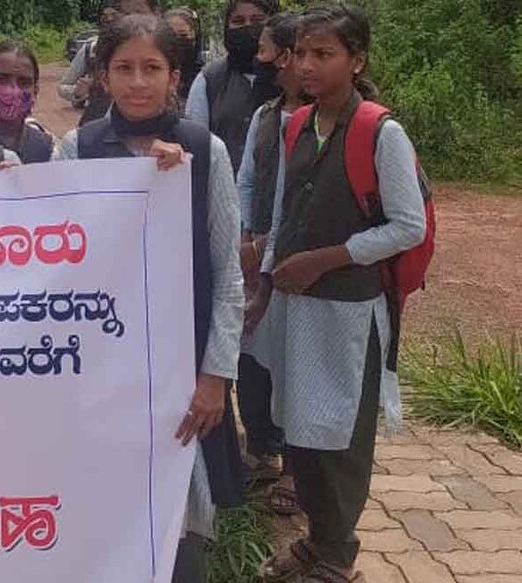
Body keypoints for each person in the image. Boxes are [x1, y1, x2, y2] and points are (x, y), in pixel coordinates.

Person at [53, 14, 245, 582]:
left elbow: (227, 275)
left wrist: (215, 376)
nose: (138, 82)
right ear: (102, 77)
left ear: (174, 77)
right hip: (97, 372)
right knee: (102, 508)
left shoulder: (202, 151)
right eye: (124, 68)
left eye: (152, 69)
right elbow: (51, 260)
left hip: (180, 375)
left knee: (180, 514)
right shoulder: (77, 149)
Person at [249, 4, 427, 582]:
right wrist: (266, 286)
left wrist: (328, 259)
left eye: (323, 54)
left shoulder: (380, 131)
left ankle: (337, 554)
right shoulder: (297, 124)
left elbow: (407, 226)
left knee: (342, 440)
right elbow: (280, 212)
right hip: (296, 308)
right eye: (300, 53)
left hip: (348, 312)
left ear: (358, 59)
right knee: (301, 428)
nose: (306, 65)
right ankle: (316, 544)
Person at [233, 11, 306, 517]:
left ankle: (298, 471)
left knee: (295, 363)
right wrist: (243, 238)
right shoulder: (265, 117)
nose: (255, 58)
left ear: (285, 57)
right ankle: (262, 449)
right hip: (257, 251)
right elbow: (248, 183)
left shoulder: (328, 123)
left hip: (301, 262)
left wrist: (271, 257)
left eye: (262, 49)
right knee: (249, 352)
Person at [185, 0, 281, 174]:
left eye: (257, 20)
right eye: (238, 21)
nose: (248, 27)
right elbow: (194, 145)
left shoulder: (290, 75)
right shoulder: (209, 79)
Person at [58, 0, 160, 127]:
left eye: (138, 12)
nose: (132, 18)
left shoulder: (168, 49)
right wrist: (80, 91)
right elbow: (64, 86)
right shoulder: (95, 48)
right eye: (126, 13)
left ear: (155, 14)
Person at [0, 41, 54, 164]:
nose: (13, 90)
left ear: (35, 91)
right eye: (1, 79)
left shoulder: (46, 149)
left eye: (24, 82)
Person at [163, 7, 204, 107]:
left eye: (183, 35)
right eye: (171, 35)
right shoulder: (155, 74)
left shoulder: (206, 77)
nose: (177, 40)